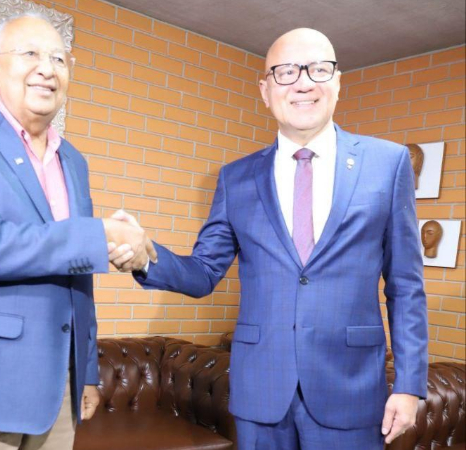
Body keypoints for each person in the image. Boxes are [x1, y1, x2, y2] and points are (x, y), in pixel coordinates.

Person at [110, 28, 427, 450]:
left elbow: (406, 286)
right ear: (265, 90)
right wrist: (145, 257)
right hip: (261, 392)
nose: (303, 82)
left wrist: (409, 384)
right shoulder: (236, 178)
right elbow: (203, 272)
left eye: (318, 69)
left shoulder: (388, 164)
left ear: (337, 82)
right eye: (286, 71)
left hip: (349, 389)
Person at [0, 13, 155, 450]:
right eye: (31, 54)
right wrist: (101, 235)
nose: (47, 68)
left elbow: (77, 277)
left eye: (59, 59)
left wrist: (85, 372)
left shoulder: (73, 161)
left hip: (59, 391)